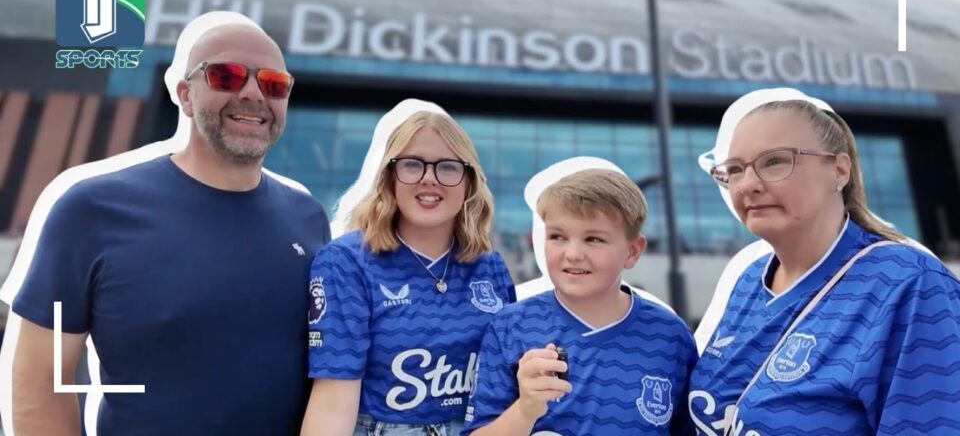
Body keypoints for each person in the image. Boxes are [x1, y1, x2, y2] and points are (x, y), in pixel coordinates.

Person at [10, 20, 331, 435]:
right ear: (184, 95)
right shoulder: (91, 211)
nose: (253, 93)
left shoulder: (308, 218)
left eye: (274, 84)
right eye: (226, 76)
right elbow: (41, 379)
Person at [688, 98, 960, 435]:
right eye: (734, 170)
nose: (747, 185)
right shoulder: (748, 281)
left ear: (839, 170)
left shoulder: (910, 286)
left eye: (774, 162)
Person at [301, 111, 515, 436]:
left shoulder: (490, 265)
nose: (429, 178)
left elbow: (507, 384)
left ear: (469, 181)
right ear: (390, 177)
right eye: (413, 164)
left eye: (448, 166)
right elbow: (332, 404)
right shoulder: (346, 262)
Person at [463, 168, 698, 435]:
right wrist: (525, 409)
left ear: (632, 251)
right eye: (558, 237)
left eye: (593, 239)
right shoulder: (510, 326)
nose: (573, 253)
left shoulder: (671, 336)